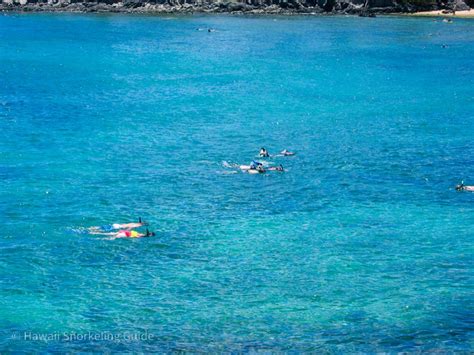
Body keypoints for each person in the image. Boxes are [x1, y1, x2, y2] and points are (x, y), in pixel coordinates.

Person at [90, 228, 156, 239]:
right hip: (125, 233)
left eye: (150, 233)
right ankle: (94, 233)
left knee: (110, 236)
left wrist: (148, 234)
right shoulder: (142, 234)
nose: (149, 233)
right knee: (109, 235)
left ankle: (94, 234)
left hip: (125, 234)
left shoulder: (144, 235)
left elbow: (146, 235)